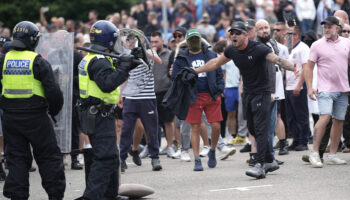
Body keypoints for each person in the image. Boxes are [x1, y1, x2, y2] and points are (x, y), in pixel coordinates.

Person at [194, 21, 295, 179]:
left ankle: (260, 165)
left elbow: (275, 59)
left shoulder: (259, 48)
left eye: (237, 33)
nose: (233, 35)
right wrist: (195, 71)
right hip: (247, 93)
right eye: (232, 33)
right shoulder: (232, 50)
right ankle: (270, 160)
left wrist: (291, 66)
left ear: (246, 35)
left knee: (261, 130)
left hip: (263, 92)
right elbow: (215, 63)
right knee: (253, 129)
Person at [0, 21, 65, 199]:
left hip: (10, 118)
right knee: (48, 157)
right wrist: (53, 112)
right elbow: (53, 92)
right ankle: (55, 194)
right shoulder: (38, 61)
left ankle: (17, 195)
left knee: (17, 158)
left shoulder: (3, 59)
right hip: (36, 117)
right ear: (34, 40)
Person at [75, 20, 140, 200]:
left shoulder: (94, 57)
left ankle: (110, 194)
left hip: (95, 113)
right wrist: (125, 67)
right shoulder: (99, 61)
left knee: (110, 155)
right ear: (108, 41)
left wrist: (131, 61)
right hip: (98, 114)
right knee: (106, 157)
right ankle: (92, 196)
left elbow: (113, 72)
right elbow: (108, 83)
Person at [172, 28, 232, 171]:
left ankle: (212, 150)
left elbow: (219, 73)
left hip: (211, 95)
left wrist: (219, 89)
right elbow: (175, 77)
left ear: (200, 39)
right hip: (193, 96)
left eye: (196, 39)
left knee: (216, 126)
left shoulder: (211, 54)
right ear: (187, 42)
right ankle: (197, 159)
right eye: (191, 39)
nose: (194, 41)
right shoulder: (181, 57)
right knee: (195, 127)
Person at [305, 16, 350, 168]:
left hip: (343, 88)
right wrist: (310, 87)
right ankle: (314, 153)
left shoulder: (347, 42)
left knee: (338, 120)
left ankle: (332, 155)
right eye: (325, 26)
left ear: (338, 28)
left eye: (330, 26)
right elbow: (309, 67)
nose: (326, 29)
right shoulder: (317, 45)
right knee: (325, 117)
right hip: (325, 89)